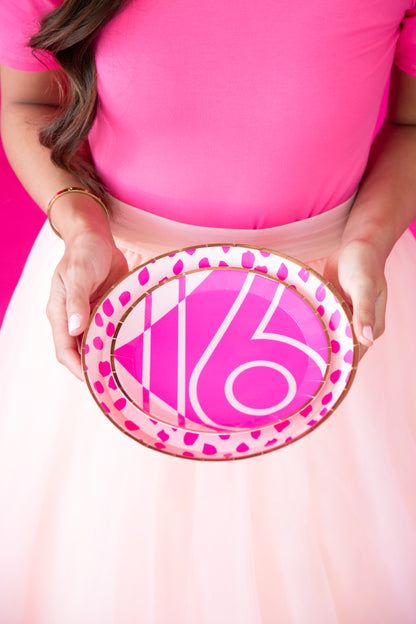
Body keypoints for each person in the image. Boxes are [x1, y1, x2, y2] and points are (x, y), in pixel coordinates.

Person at [1, 0, 416, 622]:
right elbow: (24, 100)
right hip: (117, 295)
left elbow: (412, 123)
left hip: (338, 296)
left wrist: (369, 241)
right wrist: (81, 225)